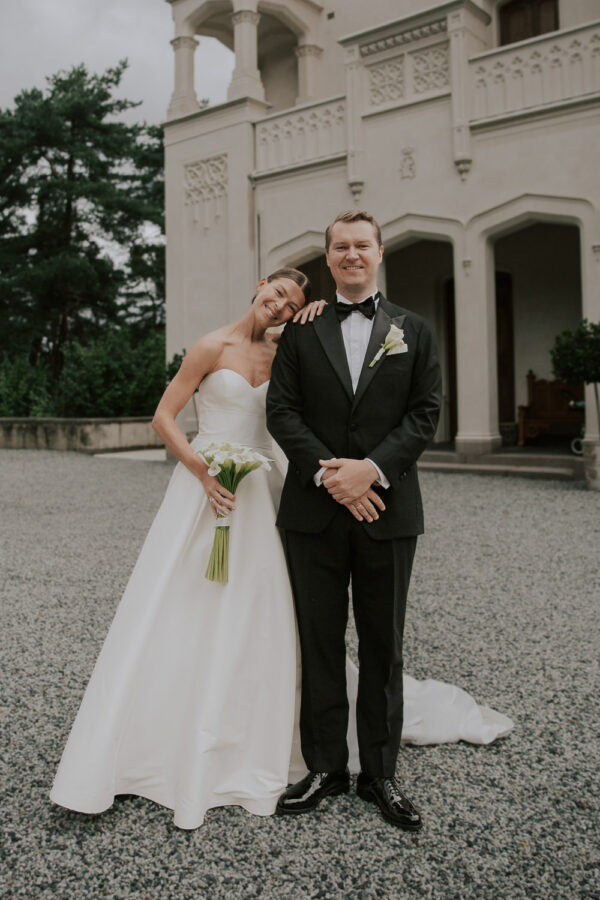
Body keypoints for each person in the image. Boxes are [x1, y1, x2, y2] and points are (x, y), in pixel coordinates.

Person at [50, 261, 512, 831]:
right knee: (184, 604)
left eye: (292, 303)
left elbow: (302, 405)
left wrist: (311, 317)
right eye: (277, 293)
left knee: (271, 611)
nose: (281, 306)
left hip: (266, 491)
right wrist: (203, 472)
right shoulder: (210, 346)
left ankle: (287, 740)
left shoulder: (290, 345)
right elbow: (164, 417)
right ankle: (162, 735)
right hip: (206, 489)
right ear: (259, 286)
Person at [267, 210, 441, 830]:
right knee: (318, 640)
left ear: (379, 252)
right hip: (313, 513)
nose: (351, 255)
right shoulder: (300, 331)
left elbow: (425, 414)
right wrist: (331, 477)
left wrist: (370, 470)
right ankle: (325, 768)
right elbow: (282, 412)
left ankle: (380, 774)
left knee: (383, 644)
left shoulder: (414, 330)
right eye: (340, 246)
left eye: (361, 245)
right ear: (328, 258)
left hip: (388, 511)